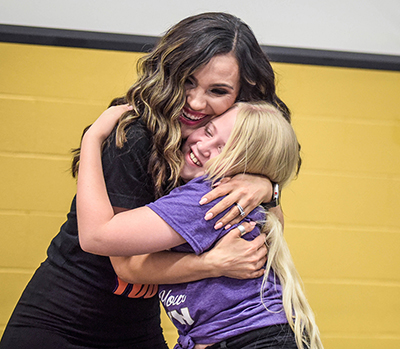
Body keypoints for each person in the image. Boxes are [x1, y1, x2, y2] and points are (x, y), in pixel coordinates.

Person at [0, 12, 293, 349]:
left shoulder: (222, 149)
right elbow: (124, 263)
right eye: (187, 81)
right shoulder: (137, 135)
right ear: (169, 73)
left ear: (242, 94)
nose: (196, 102)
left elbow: (271, 231)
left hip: (138, 323)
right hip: (65, 319)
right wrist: (211, 263)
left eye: (218, 90)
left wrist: (266, 188)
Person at [76, 101, 322, 349]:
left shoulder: (208, 198)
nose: (203, 147)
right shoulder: (240, 196)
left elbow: (95, 236)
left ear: (247, 168)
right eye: (208, 131)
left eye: (222, 149)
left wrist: (92, 139)